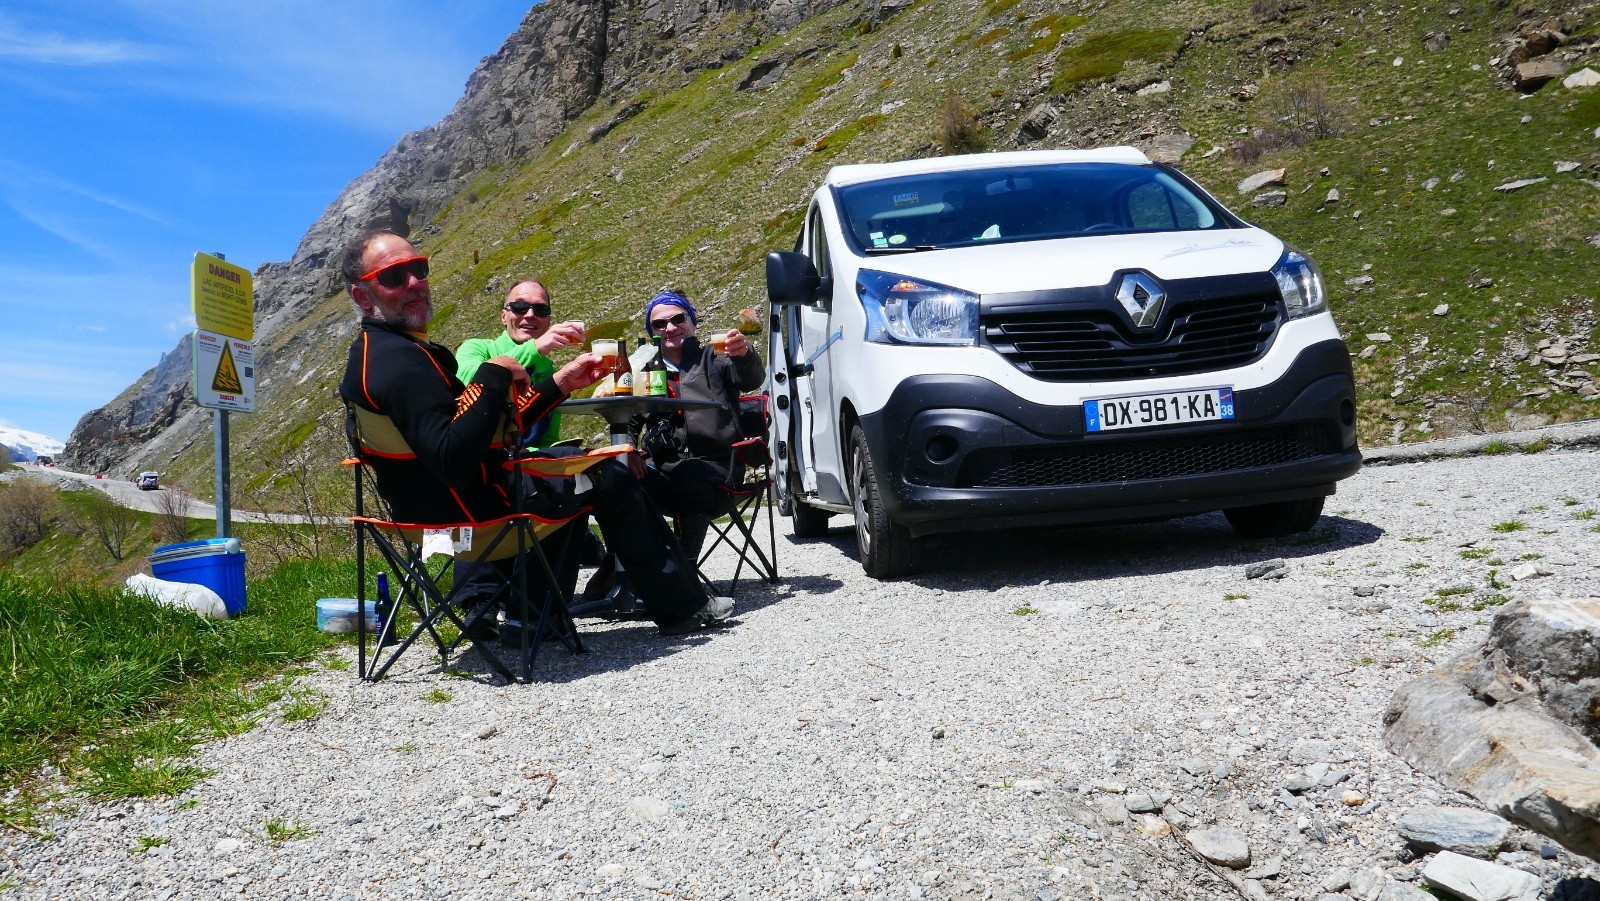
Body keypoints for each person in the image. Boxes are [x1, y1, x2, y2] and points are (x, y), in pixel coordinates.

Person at [337, 230, 731, 637]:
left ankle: (535, 616)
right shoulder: (399, 363)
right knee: (605, 475)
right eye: (394, 277)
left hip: (441, 510)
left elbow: (481, 430)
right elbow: (453, 459)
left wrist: (559, 383)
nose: (414, 283)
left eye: (418, 269)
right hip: (473, 515)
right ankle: (683, 607)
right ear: (363, 296)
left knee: (574, 468)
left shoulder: (381, 353)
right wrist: (494, 374)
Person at [634, 289, 765, 558]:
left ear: (692, 322)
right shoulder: (646, 371)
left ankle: (683, 571)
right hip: (663, 469)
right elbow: (629, 418)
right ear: (652, 332)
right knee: (621, 478)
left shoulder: (715, 359)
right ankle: (624, 571)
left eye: (678, 319)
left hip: (719, 469)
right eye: (659, 324)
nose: (669, 328)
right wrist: (624, 451)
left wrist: (744, 354)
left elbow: (749, 378)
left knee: (689, 473)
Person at [455, 280, 583, 449]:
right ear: (503, 316)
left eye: (540, 310)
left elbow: (547, 440)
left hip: (529, 466)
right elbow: (467, 384)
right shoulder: (476, 348)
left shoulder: (549, 372)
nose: (530, 314)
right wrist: (534, 349)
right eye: (519, 307)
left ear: (548, 321)